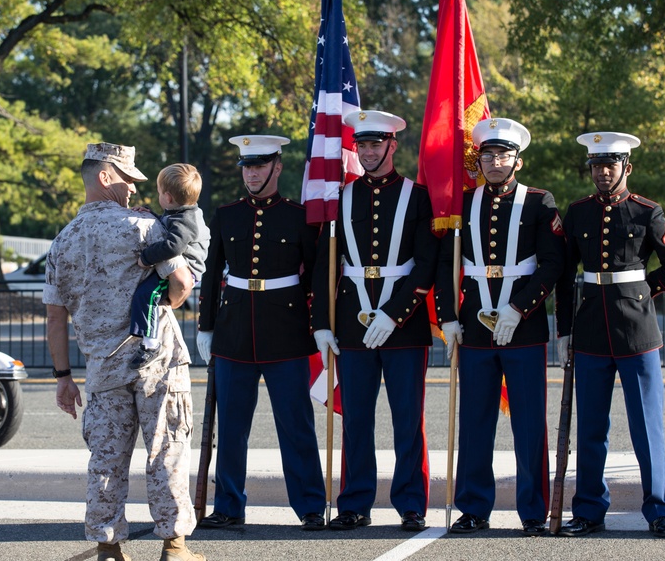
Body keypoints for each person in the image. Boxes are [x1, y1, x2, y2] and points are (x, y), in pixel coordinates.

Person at [44, 142, 208, 561]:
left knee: (106, 458)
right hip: (157, 362)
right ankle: (174, 549)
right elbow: (180, 281)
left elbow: (55, 318)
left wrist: (63, 377)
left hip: (100, 367)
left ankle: (108, 551)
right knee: (167, 450)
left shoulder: (61, 243)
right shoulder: (144, 228)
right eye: (127, 180)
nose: (135, 190)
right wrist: (172, 300)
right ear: (104, 176)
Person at [555, 132, 665, 538]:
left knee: (647, 428)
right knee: (591, 428)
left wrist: (645, 290)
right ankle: (590, 510)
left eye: (610, 164)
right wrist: (564, 330)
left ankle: (660, 510)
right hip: (592, 329)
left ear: (626, 168)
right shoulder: (577, 212)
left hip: (637, 333)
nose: (602, 172)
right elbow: (564, 276)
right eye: (596, 165)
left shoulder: (648, 212)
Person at [435, 118, 565, 536]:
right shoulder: (464, 203)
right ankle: (473, 507)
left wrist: (519, 308)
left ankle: (533, 512)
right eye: (486, 155)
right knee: (474, 422)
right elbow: (446, 264)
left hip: (523, 330)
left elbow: (554, 264)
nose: (493, 162)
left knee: (528, 423)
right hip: (473, 326)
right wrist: (448, 317)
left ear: (518, 161)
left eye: (502, 155)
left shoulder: (540, 203)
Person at [311, 110, 439, 532]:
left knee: (408, 419)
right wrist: (322, 322)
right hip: (351, 319)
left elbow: (427, 264)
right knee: (358, 418)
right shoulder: (340, 196)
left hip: (405, 323)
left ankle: (411, 503)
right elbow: (325, 263)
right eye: (361, 145)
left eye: (375, 144)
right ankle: (354, 503)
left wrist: (396, 313)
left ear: (391, 146)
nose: (367, 152)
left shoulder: (417, 196)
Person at [196, 135, 326, 531]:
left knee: (295, 423)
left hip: (285, 331)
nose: (251, 173)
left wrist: (317, 323)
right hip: (234, 332)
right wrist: (206, 327)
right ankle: (229, 505)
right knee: (231, 426)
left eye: (259, 165)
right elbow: (211, 273)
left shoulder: (299, 216)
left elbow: (316, 278)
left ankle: (310, 506)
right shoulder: (226, 214)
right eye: (247, 167)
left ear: (277, 167)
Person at [128, 163, 210, 369]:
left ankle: (150, 345)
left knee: (148, 295)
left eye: (158, 193)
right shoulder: (181, 212)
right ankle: (147, 338)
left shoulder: (186, 220)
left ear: (168, 197)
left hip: (187, 269)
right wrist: (150, 214)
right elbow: (166, 226)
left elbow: (172, 245)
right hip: (177, 267)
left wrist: (146, 258)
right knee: (145, 294)